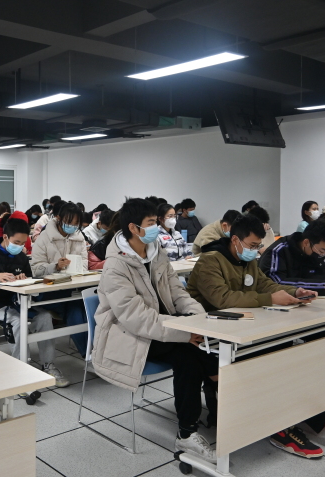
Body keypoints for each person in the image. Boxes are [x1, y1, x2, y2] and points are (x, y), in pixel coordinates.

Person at [187, 214, 325, 458]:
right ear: (235, 239)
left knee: (286, 363)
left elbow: (265, 284)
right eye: (252, 245)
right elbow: (222, 299)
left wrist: (294, 292)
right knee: (270, 369)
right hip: (208, 339)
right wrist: (270, 298)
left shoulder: (247, 261)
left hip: (241, 330)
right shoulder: (210, 260)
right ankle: (282, 428)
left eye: (258, 246)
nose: (256, 251)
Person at [93, 198, 218, 463]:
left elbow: (177, 291)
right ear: (133, 228)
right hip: (129, 335)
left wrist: (198, 319)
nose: (156, 227)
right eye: (151, 223)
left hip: (162, 325)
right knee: (189, 355)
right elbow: (136, 319)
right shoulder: (116, 265)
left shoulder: (155, 251)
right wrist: (185, 334)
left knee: (210, 345)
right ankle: (187, 432)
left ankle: (217, 406)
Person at [0, 217, 68, 387]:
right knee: (18, 321)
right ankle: (21, 370)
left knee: (44, 317)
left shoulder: (21, 257)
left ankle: (48, 364)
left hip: (16, 300)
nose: (20, 247)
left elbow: (29, 281)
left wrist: (24, 279)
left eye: (23, 243)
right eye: (16, 242)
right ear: (5, 237)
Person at [31, 202, 89, 355]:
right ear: (58, 218)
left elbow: (84, 263)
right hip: (50, 291)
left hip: (73, 289)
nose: (72, 226)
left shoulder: (79, 238)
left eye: (76, 224)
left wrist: (78, 270)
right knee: (75, 309)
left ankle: (93, 352)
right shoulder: (44, 238)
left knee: (90, 306)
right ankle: (88, 353)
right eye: (69, 222)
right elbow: (35, 269)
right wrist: (55, 266)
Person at [259, 219, 325, 296]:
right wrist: (322, 287)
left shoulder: (315, 253)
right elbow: (276, 283)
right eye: (322, 251)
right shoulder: (279, 251)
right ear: (306, 242)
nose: (323, 255)